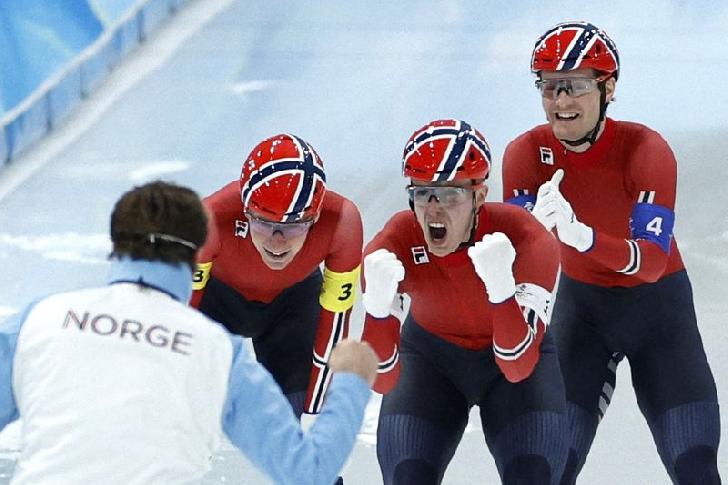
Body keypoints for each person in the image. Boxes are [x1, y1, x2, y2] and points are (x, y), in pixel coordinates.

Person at [0, 181, 377, 485]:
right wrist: (351, 384)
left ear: (114, 247)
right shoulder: (215, 352)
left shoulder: (41, 319)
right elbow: (307, 473)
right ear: (199, 253)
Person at [502, 21, 721, 484]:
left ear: (609, 88)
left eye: (576, 86)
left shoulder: (646, 150)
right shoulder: (524, 154)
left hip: (659, 311)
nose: (561, 102)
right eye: (549, 86)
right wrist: (529, 238)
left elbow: (652, 261)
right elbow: (511, 270)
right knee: (548, 467)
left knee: (695, 468)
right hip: (583, 314)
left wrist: (580, 237)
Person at [360, 119, 568, 485]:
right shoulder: (394, 243)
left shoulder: (527, 239)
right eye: (423, 193)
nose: (434, 209)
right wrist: (377, 311)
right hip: (428, 362)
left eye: (451, 194)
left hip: (515, 370)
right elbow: (381, 380)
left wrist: (502, 288)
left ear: (480, 195)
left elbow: (517, 368)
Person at [191, 133, 364, 419]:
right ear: (245, 211)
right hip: (215, 306)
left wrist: (313, 414)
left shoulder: (342, 222)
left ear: (316, 217)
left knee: (294, 426)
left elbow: (335, 324)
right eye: (264, 222)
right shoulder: (209, 219)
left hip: (291, 308)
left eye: (296, 225)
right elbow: (179, 316)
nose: (278, 241)